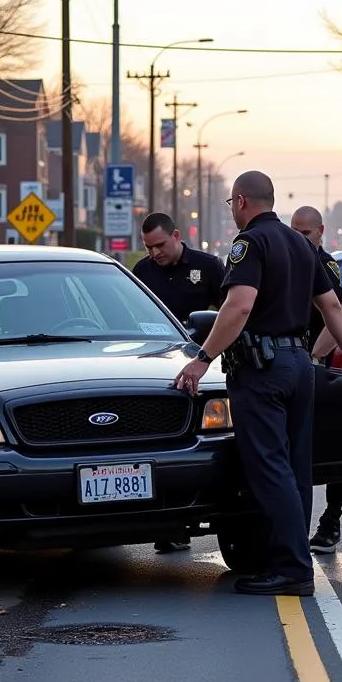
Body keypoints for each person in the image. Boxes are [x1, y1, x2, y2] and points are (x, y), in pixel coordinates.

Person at [175, 171, 342, 596]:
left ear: (241, 201)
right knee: (296, 469)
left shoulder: (250, 244)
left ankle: (290, 570)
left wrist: (202, 358)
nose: (232, 211)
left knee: (270, 468)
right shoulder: (301, 244)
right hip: (300, 365)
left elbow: (239, 306)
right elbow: (332, 304)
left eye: (231, 204)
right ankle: (292, 560)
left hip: (263, 371)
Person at [133, 212, 225, 553]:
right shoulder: (142, 272)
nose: (155, 252)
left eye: (159, 244)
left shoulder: (208, 266)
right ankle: (166, 526)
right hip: (154, 366)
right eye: (148, 247)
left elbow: (228, 309)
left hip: (202, 364)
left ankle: (182, 519)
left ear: (176, 235)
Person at [290, 205, 342, 554]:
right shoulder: (288, 259)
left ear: (320, 231)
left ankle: (331, 519)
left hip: (316, 369)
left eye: (307, 233)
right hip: (288, 367)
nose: (300, 238)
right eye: (295, 232)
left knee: (333, 446)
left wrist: (314, 356)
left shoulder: (324, 264)